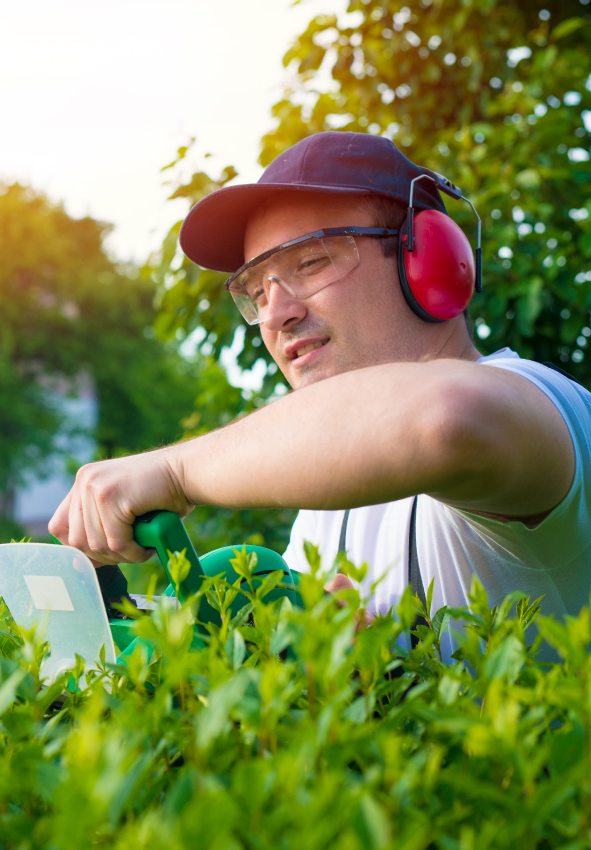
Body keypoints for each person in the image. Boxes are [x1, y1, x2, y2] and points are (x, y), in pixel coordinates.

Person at [49, 131, 591, 657]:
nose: (277, 314)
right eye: (257, 291)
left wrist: (173, 471)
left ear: (426, 259)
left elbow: (446, 418)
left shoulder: (543, 404)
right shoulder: (330, 491)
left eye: (310, 263)